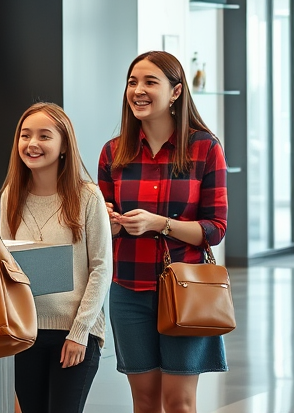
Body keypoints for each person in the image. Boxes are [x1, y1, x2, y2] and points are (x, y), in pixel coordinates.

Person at [98, 50, 228, 413]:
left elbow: (215, 229)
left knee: (179, 402)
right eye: (132, 82)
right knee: (144, 402)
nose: (138, 90)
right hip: (128, 289)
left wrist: (160, 224)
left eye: (150, 82)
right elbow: (101, 227)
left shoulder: (205, 148)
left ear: (176, 92)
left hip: (186, 290)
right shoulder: (113, 153)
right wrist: (108, 223)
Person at [0, 102, 112, 413]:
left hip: (75, 332)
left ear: (64, 146)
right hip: (26, 333)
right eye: (25, 135)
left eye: (44, 136)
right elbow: (9, 266)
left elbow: (101, 269)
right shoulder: (10, 196)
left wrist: (80, 332)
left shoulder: (88, 196)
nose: (32, 144)